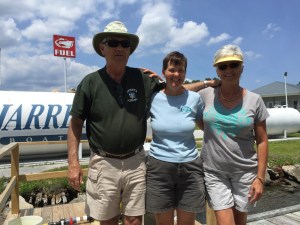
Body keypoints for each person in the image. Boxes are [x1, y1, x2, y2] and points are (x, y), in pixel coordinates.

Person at [67, 20, 218, 225]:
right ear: (103, 48)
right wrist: (74, 164)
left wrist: (208, 83)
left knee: (134, 220)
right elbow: (75, 124)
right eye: (113, 43)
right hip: (104, 162)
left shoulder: (142, 78)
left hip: (136, 162)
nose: (119, 47)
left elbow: (175, 87)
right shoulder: (90, 82)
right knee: (107, 220)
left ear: (130, 50)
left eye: (124, 44)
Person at [198, 44, 269, 225]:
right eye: (223, 66)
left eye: (234, 65)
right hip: (214, 172)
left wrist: (260, 178)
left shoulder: (254, 100)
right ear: (217, 70)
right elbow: (178, 90)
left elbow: (262, 140)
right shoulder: (206, 94)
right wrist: (208, 82)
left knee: (240, 221)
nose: (229, 70)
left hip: (245, 172)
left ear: (242, 68)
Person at [146, 51, 206, 225]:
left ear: (185, 73)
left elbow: (208, 128)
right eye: (172, 69)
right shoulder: (153, 97)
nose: (176, 74)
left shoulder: (195, 99)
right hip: (159, 168)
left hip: (190, 168)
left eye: (181, 70)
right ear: (163, 71)